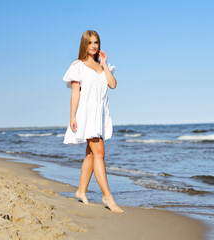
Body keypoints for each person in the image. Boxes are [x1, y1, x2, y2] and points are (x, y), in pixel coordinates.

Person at [62, 30, 124, 213]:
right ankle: (107, 196)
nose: (94, 46)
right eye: (90, 43)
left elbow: (112, 85)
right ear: (84, 45)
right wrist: (72, 116)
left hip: (100, 114)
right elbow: (75, 93)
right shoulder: (78, 66)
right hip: (86, 114)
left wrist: (104, 64)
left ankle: (81, 191)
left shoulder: (102, 66)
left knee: (91, 154)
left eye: (96, 42)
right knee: (100, 153)